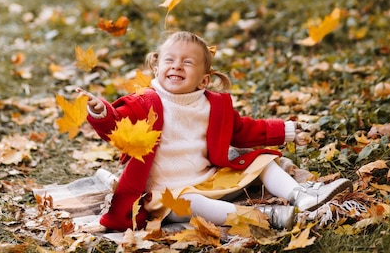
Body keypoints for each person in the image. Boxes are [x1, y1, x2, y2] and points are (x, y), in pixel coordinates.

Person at [77, 31, 352, 232]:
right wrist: (101, 112)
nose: (176, 66)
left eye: (187, 62)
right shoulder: (144, 103)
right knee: (189, 202)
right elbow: (117, 126)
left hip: (208, 179)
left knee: (263, 161)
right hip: (167, 194)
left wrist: (286, 130)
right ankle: (264, 217)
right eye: (169, 60)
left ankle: (301, 196)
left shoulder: (213, 105)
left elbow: (242, 131)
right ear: (157, 67)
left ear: (204, 80)